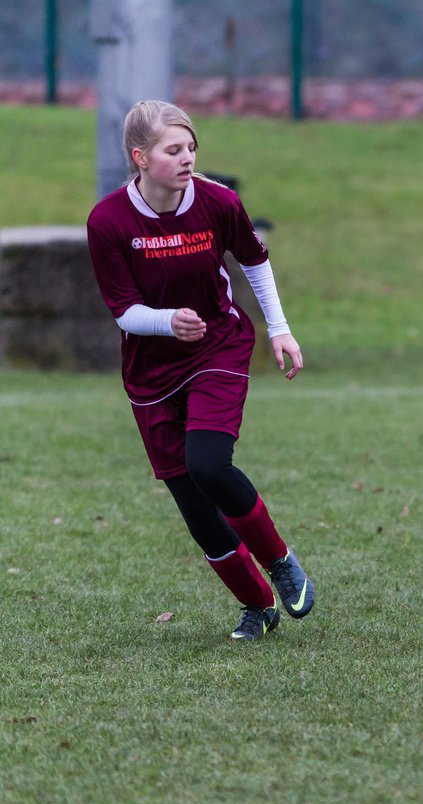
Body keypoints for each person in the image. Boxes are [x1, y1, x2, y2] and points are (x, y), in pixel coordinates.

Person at [86, 100, 315, 640]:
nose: (187, 158)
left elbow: (253, 260)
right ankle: (258, 605)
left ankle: (280, 561)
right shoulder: (108, 221)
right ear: (140, 157)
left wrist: (279, 329)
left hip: (218, 345)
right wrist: (168, 322)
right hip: (151, 368)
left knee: (209, 465)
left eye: (191, 147)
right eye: (174, 150)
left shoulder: (218, 202)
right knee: (190, 498)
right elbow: (124, 311)